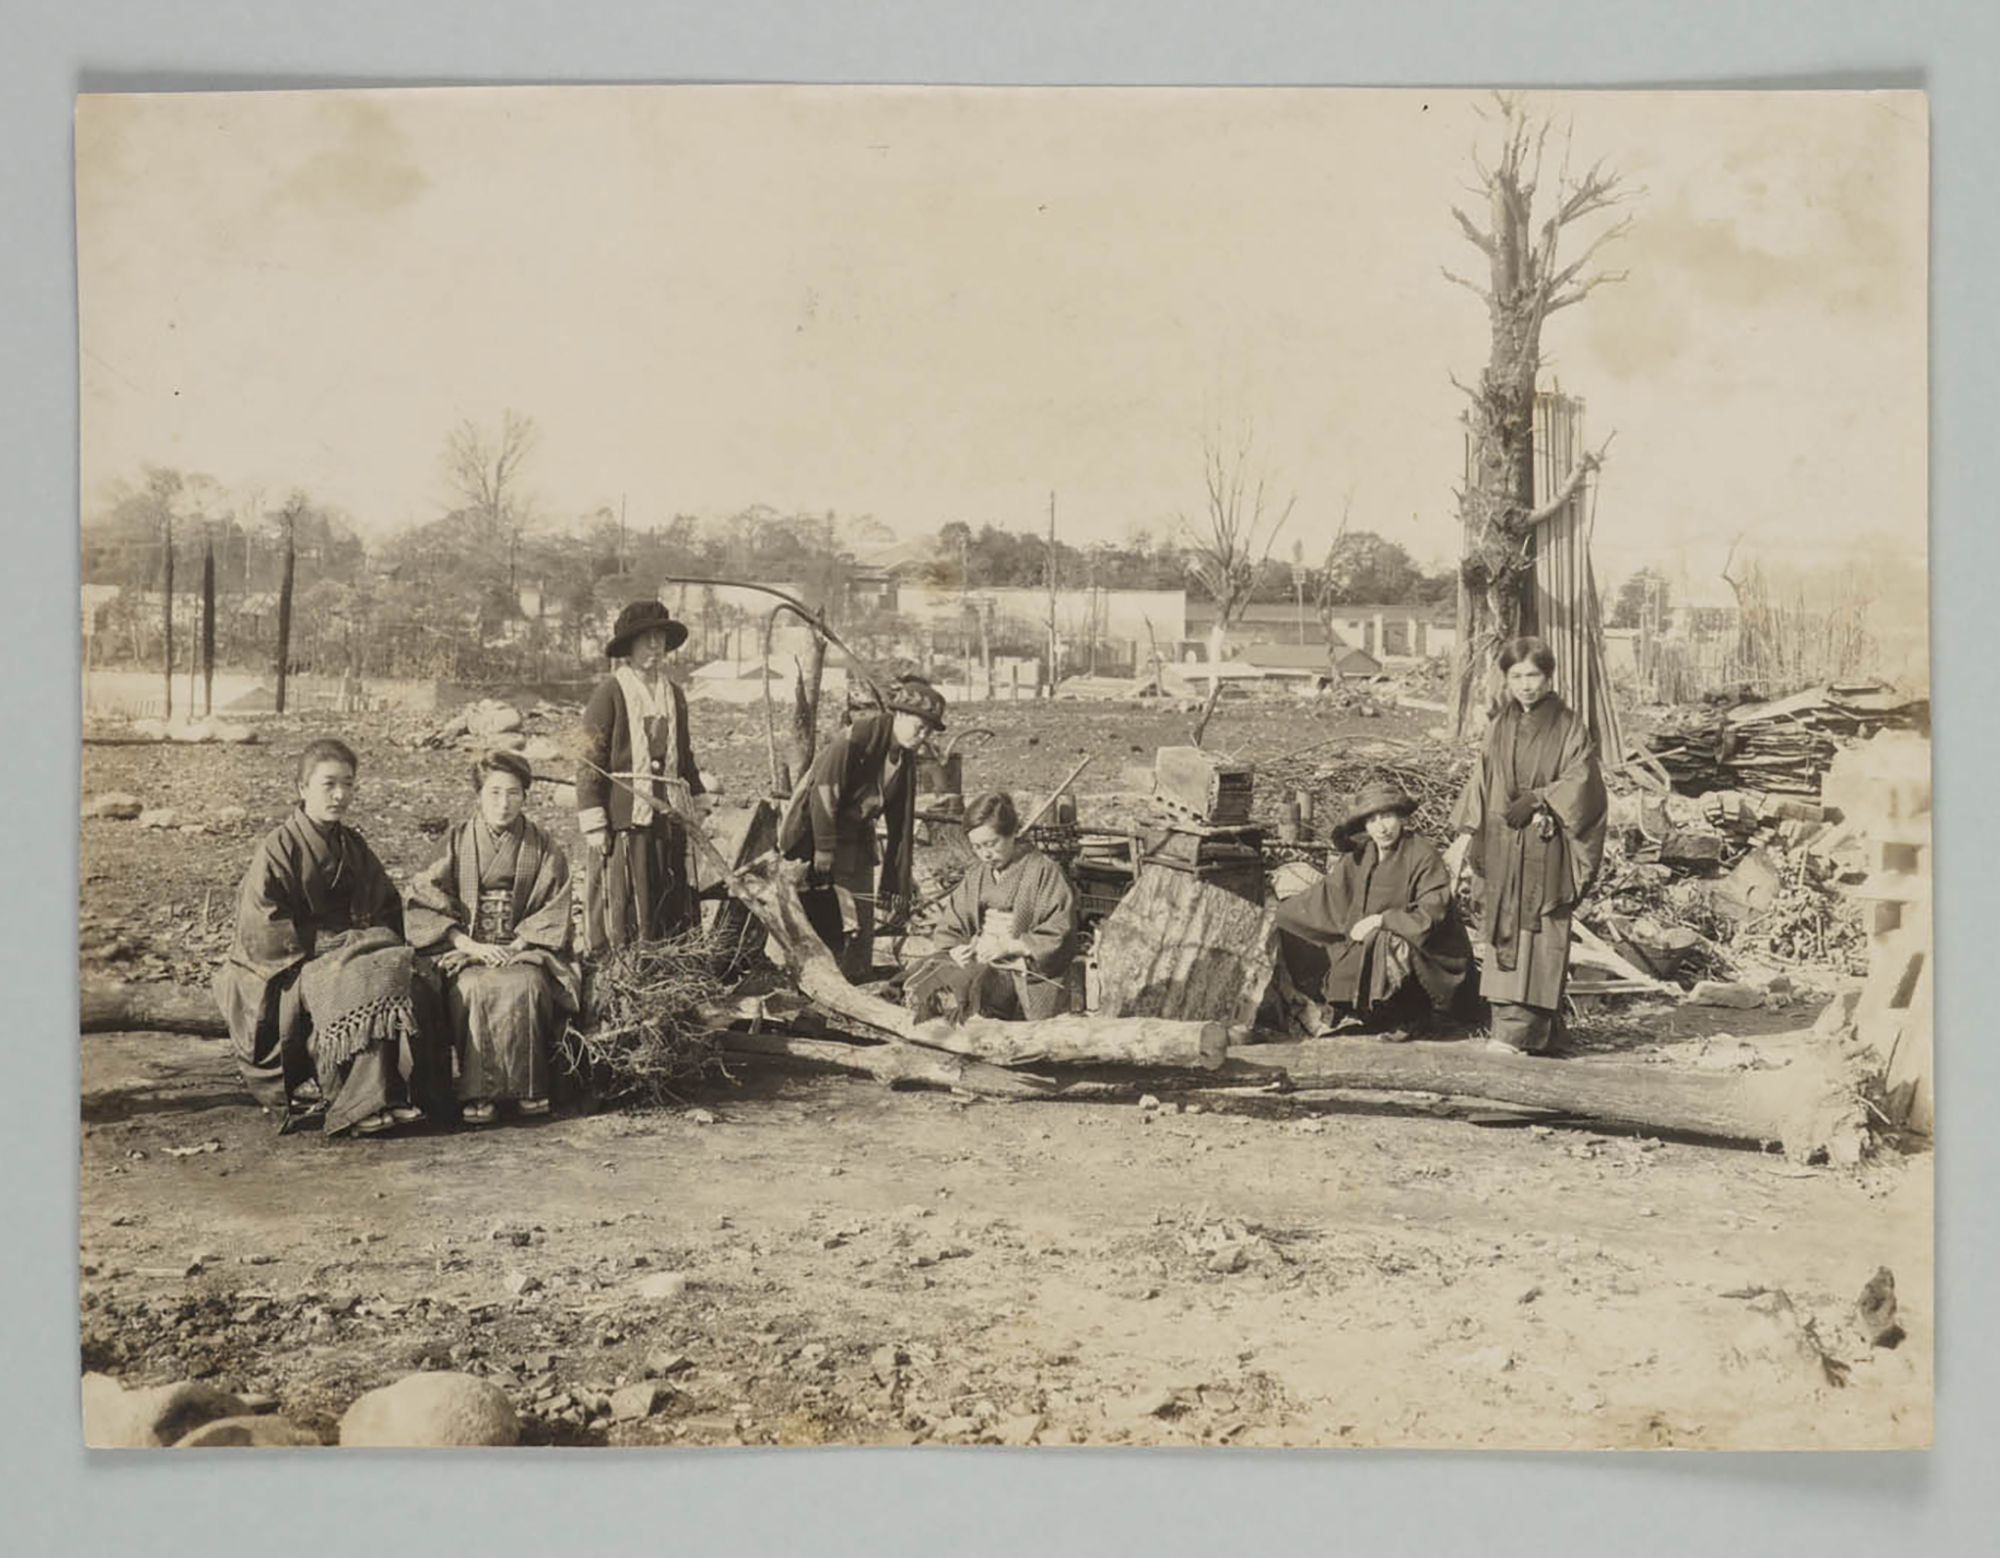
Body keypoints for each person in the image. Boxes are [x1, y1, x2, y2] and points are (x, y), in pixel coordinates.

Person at [213, 738, 447, 1136]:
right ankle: (355, 1103)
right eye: (329, 784)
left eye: (348, 784)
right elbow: (261, 922)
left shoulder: (352, 845)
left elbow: (386, 902)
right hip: (291, 962)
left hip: (350, 948)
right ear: (303, 788)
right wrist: (318, 947)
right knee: (357, 981)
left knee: (406, 977)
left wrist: (370, 939)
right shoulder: (278, 848)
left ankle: (397, 1092)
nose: (340, 795)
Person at [1446, 635, 1608, 1056]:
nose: (1525, 685)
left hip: (1544, 839)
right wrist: (1473, 833)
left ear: (1549, 676)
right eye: (1516, 676)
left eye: (1533, 675)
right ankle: (1517, 1028)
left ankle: (1525, 1033)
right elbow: (1481, 781)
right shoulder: (1498, 726)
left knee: (1541, 926)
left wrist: (1539, 798)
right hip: (1502, 840)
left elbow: (1584, 781)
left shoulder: (1569, 725)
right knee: (1504, 926)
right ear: (1506, 680)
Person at [405, 749, 581, 1125]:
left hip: (524, 948)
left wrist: (517, 945)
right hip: (468, 948)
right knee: (472, 989)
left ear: (525, 796)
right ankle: (478, 1091)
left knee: (529, 986)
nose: (504, 803)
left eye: (514, 793)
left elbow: (555, 905)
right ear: (479, 795)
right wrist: (469, 945)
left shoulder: (543, 846)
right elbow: (424, 898)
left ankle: (529, 1088)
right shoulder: (455, 841)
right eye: (494, 793)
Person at [1272, 778, 1472, 1036]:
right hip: (1369, 941)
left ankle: (1405, 1014)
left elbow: (1432, 913)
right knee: (1289, 921)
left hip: (1429, 956)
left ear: (1401, 818)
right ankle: (1348, 1008)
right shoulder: (1362, 854)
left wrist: (1382, 920)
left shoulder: (1422, 855)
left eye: (1387, 816)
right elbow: (1328, 896)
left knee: (1385, 940)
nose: (1381, 827)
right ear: (1365, 825)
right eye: (1372, 819)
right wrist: (1282, 915)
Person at [779, 675, 946, 982]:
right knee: (831, 918)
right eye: (918, 726)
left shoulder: (904, 761)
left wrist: (899, 882)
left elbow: (901, 823)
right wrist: (824, 848)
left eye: (928, 731)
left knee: (862, 920)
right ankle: (818, 983)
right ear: (900, 714)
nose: (921, 736)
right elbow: (825, 791)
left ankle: (858, 981)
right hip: (816, 837)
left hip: (858, 842)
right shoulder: (857, 737)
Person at [576, 599, 705, 952]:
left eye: (660, 638)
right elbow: (589, 759)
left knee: (669, 893)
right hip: (626, 819)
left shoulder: (674, 694)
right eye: (646, 639)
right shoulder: (610, 693)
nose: (655, 646)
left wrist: (699, 801)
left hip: (669, 815)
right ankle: (628, 971)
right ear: (628, 647)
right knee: (628, 898)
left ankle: (670, 970)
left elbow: (685, 755)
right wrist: (595, 822)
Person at [906, 790, 1078, 1022]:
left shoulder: (1044, 871)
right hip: (984, 955)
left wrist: (1011, 946)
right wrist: (955, 948)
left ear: (1012, 834)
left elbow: (1060, 930)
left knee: (982, 990)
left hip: (1025, 965)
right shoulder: (978, 874)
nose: (985, 854)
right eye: (977, 847)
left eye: (991, 844)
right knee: (930, 978)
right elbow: (953, 922)